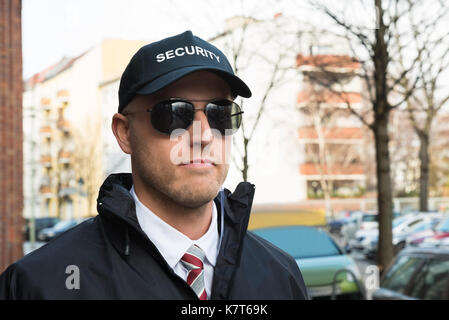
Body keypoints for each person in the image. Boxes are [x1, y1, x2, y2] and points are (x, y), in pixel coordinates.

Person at [0, 31, 309, 300]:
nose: (203, 135)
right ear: (124, 133)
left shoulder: (281, 274)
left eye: (220, 113)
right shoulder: (41, 285)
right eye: (174, 112)